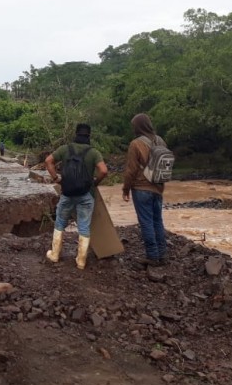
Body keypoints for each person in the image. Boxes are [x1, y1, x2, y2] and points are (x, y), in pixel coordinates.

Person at [44, 123, 108, 270]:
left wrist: (56, 179)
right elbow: (104, 171)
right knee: (84, 226)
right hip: (85, 195)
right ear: (89, 136)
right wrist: (95, 183)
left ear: (76, 134)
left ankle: (54, 255)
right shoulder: (93, 152)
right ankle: (81, 261)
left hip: (67, 193)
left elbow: (48, 161)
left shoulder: (65, 149)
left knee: (60, 222)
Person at [122, 113, 168, 266]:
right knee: (158, 221)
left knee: (146, 222)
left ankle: (152, 256)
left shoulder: (136, 144)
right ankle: (162, 255)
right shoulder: (161, 141)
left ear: (138, 127)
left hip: (141, 188)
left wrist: (125, 189)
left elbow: (131, 170)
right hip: (158, 188)